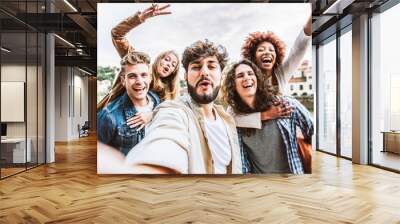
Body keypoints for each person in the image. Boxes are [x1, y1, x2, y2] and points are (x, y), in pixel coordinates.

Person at [124, 40, 243, 174]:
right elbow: (166, 135)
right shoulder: (174, 110)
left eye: (211, 66)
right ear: (185, 76)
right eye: (196, 67)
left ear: (221, 75)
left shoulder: (227, 120)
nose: (204, 72)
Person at [223, 59, 313, 174]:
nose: (247, 77)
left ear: (257, 79)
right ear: (233, 85)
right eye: (240, 75)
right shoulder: (235, 115)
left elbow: (312, 130)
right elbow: (242, 158)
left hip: (293, 178)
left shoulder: (283, 104)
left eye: (251, 73)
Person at [108, 4, 180, 129]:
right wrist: (140, 18)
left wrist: (152, 115)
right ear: (158, 59)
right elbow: (117, 34)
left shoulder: (167, 92)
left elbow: (169, 113)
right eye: (167, 60)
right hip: (113, 122)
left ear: (173, 72)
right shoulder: (137, 63)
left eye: (173, 65)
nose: (169, 64)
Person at [234, 16, 312, 128]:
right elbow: (231, 118)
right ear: (253, 57)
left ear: (276, 56)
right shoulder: (246, 80)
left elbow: (298, 49)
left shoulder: (281, 74)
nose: (267, 52)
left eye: (271, 50)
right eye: (261, 50)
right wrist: (265, 115)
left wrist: (311, 17)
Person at [97, 51, 161, 155]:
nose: (139, 81)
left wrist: (153, 115)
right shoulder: (109, 116)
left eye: (144, 75)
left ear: (150, 78)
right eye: (132, 76)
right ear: (123, 80)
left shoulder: (156, 100)